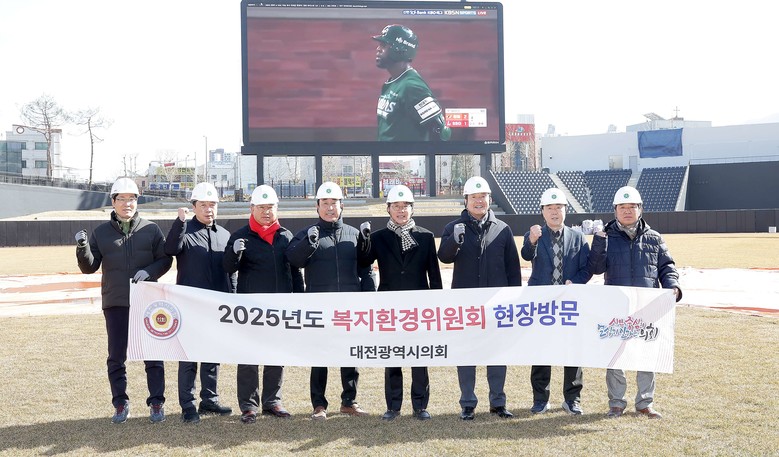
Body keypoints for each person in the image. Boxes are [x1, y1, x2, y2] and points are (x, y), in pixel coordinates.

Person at [75, 177, 172, 424]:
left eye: (131, 199)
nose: (127, 203)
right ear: (113, 201)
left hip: (147, 302)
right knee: (116, 356)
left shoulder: (151, 229)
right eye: (122, 199)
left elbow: (165, 260)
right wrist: (82, 247)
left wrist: (149, 271)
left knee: (153, 353)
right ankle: (120, 403)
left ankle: (157, 402)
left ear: (137, 201)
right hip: (116, 302)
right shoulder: (101, 233)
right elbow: (89, 267)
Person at [588, 186, 682, 420]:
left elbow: (667, 267)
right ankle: (616, 403)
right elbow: (596, 268)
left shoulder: (654, 237)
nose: (627, 211)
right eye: (623, 207)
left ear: (640, 209)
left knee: (646, 353)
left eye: (632, 206)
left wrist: (673, 286)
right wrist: (599, 242)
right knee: (615, 355)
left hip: (647, 306)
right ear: (615, 210)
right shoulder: (606, 237)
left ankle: (645, 403)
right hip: (616, 306)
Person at [286, 181, 377, 420]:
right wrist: (308, 243)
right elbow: (293, 260)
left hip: (349, 307)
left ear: (341, 205)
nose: (329, 208)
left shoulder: (354, 234)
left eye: (333, 203)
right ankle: (319, 405)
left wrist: (369, 299)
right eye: (324, 203)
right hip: (319, 308)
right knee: (320, 357)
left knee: (351, 355)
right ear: (317, 207)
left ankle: (349, 401)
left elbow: (366, 269)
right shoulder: (307, 234)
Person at [437, 176, 521, 421]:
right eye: (473, 197)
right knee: (466, 354)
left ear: (489, 199)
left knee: (497, 354)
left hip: (496, 305)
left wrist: (513, 301)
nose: (478, 201)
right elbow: (444, 257)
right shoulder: (453, 227)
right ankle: (467, 403)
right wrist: (454, 240)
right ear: (465, 200)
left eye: (482, 196)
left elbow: (513, 269)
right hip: (465, 306)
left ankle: (498, 402)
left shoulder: (503, 229)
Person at [357, 185, 442, 422]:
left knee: (419, 357)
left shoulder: (425, 237)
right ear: (388, 209)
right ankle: (393, 406)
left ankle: (420, 406)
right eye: (396, 206)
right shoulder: (378, 237)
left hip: (419, 308)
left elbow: (434, 275)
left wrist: (437, 305)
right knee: (393, 357)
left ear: (412, 208)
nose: (401, 210)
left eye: (405, 206)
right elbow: (363, 262)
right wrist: (363, 240)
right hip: (389, 307)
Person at [222, 185, 304, 424]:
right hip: (252, 309)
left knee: (276, 355)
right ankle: (249, 406)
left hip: (280, 308)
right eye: (261, 207)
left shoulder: (285, 236)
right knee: (248, 357)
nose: (266, 212)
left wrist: (300, 298)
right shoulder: (240, 236)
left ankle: (272, 401)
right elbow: (228, 267)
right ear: (252, 208)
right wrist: (234, 253)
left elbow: (294, 271)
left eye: (270, 207)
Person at [164, 182, 235, 423]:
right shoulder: (185, 230)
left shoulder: (224, 234)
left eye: (212, 204)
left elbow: (230, 271)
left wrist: (233, 298)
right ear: (194, 206)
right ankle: (188, 405)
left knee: (212, 354)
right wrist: (179, 223)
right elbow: (170, 248)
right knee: (189, 357)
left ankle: (209, 399)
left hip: (217, 306)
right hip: (189, 307)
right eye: (203, 205)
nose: (208, 209)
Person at [520, 188, 592, 415]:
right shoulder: (534, 234)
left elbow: (587, 268)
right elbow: (526, 255)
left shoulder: (578, 237)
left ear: (565, 210)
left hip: (569, 304)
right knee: (541, 351)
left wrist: (575, 281)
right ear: (542, 211)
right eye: (549, 208)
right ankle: (540, 399)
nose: (554, 212)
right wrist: (531, 240)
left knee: (573, 351)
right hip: (542, 304)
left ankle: (572, 399)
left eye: (558, 208)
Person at [373, 24, 451, 142]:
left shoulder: (411, 86)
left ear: (399, 50)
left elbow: (442, 131)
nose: (378, 49)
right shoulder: (393, 82)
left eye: (383, 45)